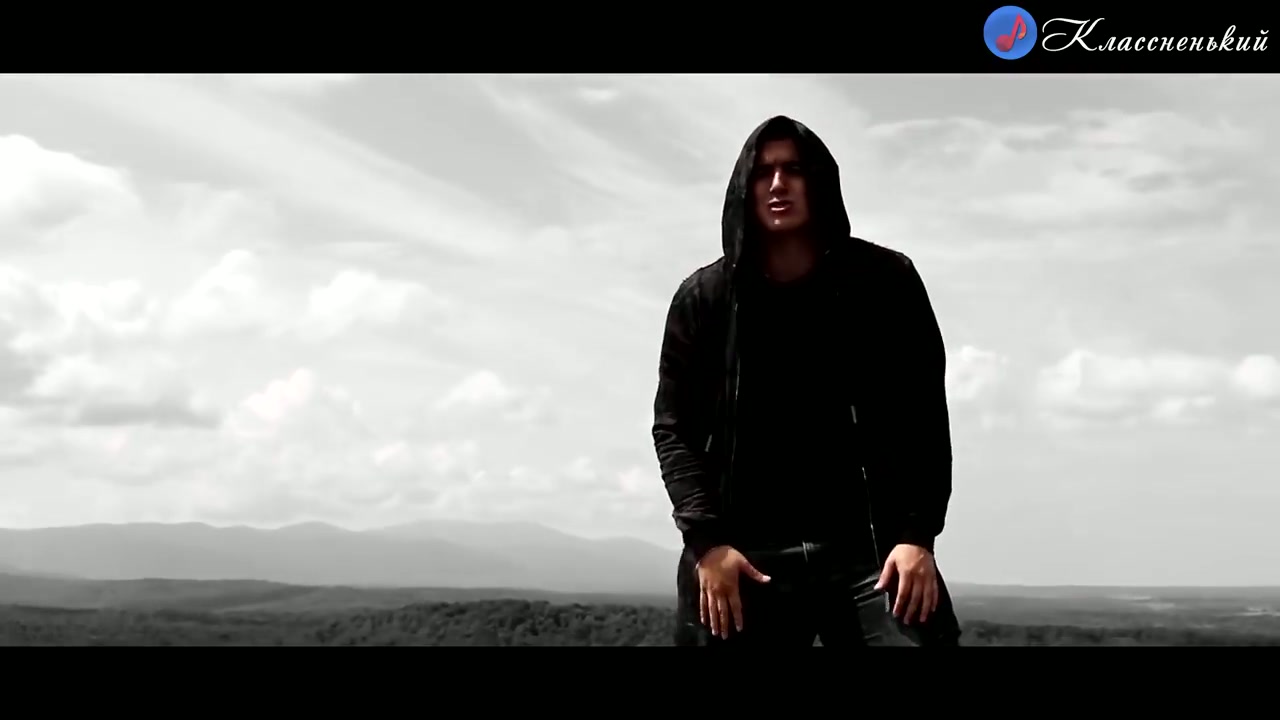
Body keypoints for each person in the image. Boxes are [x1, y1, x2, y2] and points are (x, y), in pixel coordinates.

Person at [651, 115, 962, 646]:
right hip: (742, 554)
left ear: (820, 181)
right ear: (744, 186)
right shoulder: (705, 300)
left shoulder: (886, 284)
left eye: (793, 169)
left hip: (870, 552)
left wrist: (916, 536)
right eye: (763, 171)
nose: (778, 184)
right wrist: (707, 543)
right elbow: (675, 429)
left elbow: (923, 416)